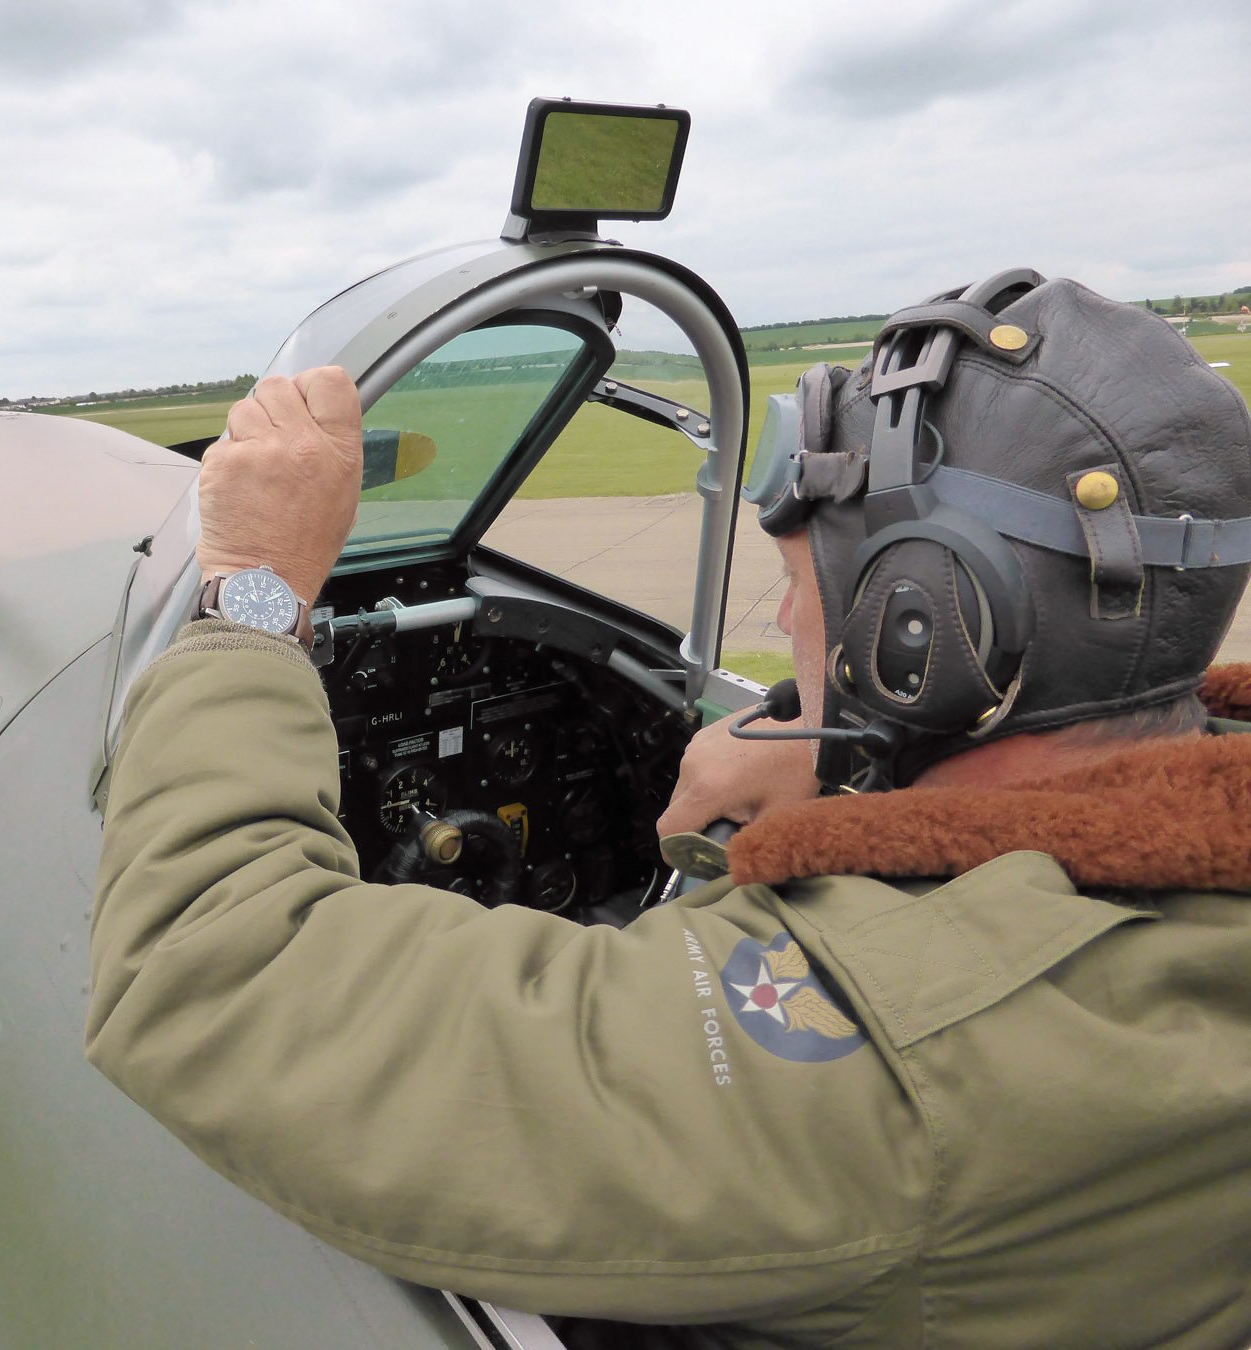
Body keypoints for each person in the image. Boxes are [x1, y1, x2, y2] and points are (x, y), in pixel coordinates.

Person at [85, 272, 1251, 1347]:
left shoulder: (916, 1073)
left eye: (799, 598)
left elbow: (211, 967)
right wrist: (864, 784)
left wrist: (251, 597)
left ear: (920, 641)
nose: (792, 636)